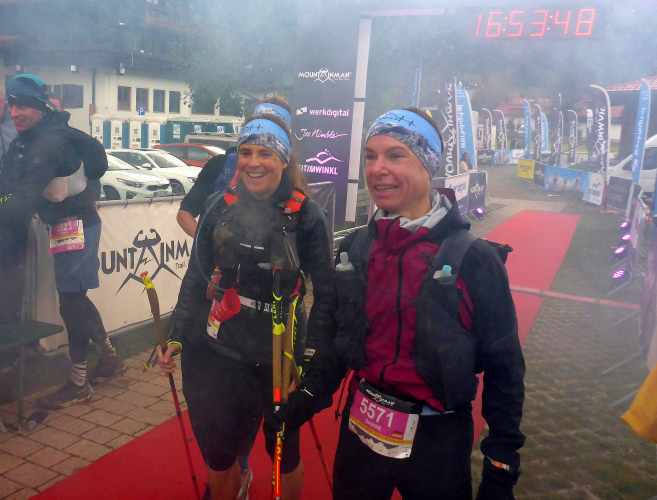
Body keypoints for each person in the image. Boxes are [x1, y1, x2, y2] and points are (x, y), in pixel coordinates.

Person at [277, 108, 525, 499]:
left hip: (437, 438)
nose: (377, 168)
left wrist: (501, 462)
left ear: (428, 166)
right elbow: (339, 336)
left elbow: (504, 367)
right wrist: (308, 395)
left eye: (395, 155)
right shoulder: (356, 246)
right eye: (370, 156)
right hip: (361, 424)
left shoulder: (475, 259)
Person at [158, 112, 335, 500]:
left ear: (283, 159)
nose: (254, 162)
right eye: (246, 152)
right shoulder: (218, 205)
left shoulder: (307, 214)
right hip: (222, 350)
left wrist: (308, 361)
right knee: (220, 453)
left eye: (266, 153)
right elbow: (196, 278)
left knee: (283, 451)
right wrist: (176, 334)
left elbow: (326, 295)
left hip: (279, 354)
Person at [0, 74, 124, 408]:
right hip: (62, 225)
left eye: (23, 106)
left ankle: (79, 383)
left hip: (78, 225)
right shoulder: (25, 141)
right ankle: (109, 357)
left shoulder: (51, 142)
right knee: (75, 298)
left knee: (71, 302)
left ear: (41, 108)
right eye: (12, 106)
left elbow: (24, 198)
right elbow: (8, 187)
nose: (15, 113)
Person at [176, 95, 292, 238]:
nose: (254, 163)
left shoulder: (302, 198)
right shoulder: (220, 167)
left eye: (275, 129)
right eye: (260, 124)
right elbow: (185, 213)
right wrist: (211, 244)